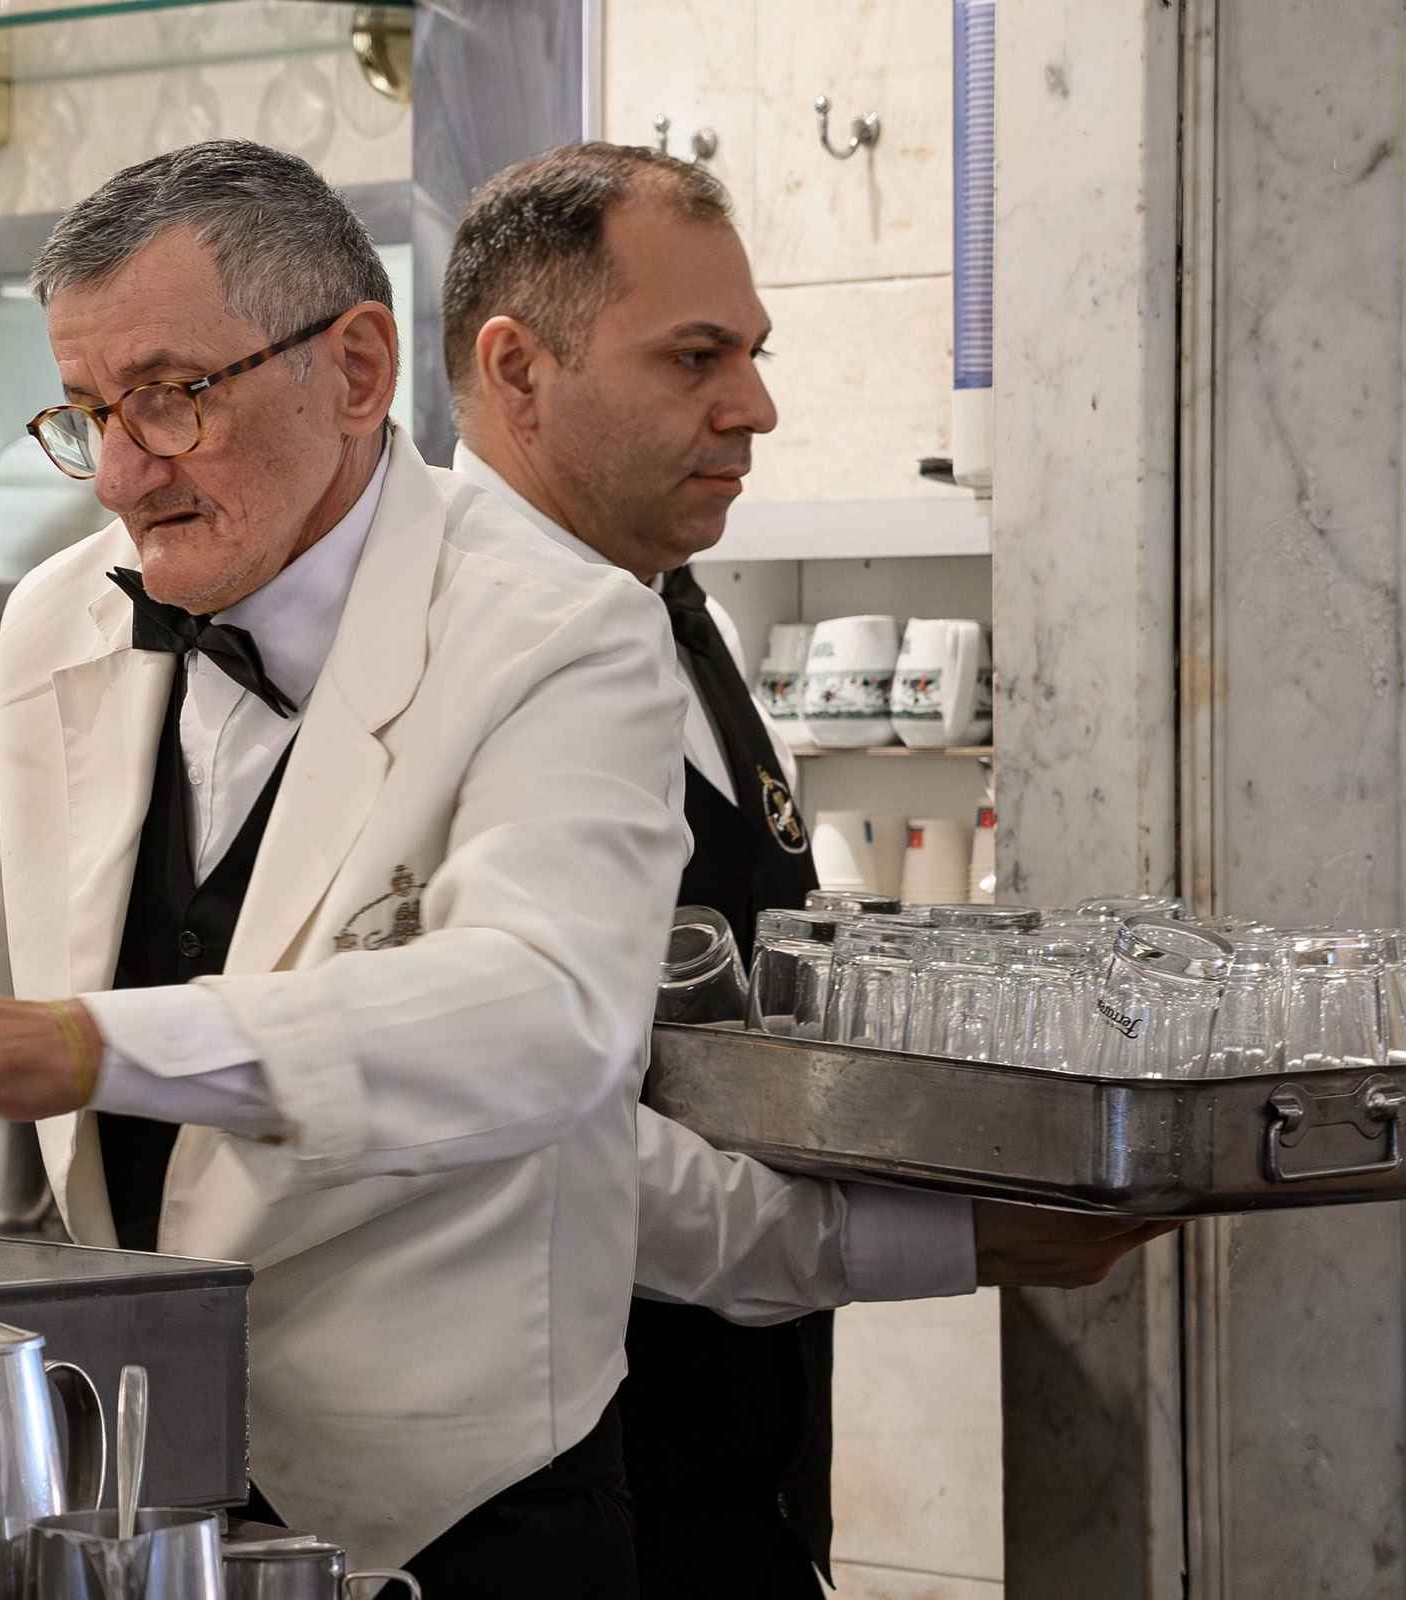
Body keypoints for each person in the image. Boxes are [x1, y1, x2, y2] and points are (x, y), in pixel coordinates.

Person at [0, 139, 687, 1596]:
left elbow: (543, 1015)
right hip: (135, 1474)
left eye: (174, 396)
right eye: (88, 415)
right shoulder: (66, 616)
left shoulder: (561, 631)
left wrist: (86, 1044)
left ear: (357, 368)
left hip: (461, 1515)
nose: (120, 474)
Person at [440, 142, 1173, 1597]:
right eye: (694, 357)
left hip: (742, 1493)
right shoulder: (438, 662)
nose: (755, 408)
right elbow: (537, 1149)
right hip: (558, 1521)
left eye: (753, 354)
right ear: (517, 370)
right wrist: (934, 1237)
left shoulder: (673, 606)